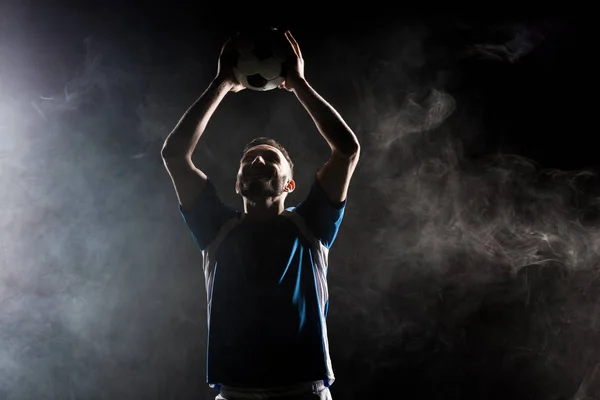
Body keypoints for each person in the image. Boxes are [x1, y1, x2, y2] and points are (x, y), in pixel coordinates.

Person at [160, 30, 360, 400]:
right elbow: (174, 155)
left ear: (289, 184)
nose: (257, 161)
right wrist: (221, 83)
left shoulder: (311, 224)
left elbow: (347, 150)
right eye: (248, 159)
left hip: (304, 389)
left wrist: (297, 83)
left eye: (271, 158)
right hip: (235, 392)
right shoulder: (216, 228)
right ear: (237, 184)